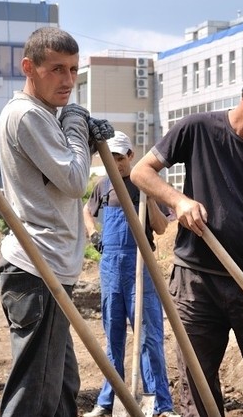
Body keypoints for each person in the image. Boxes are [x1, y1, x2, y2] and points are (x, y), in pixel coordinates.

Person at [131, 52, 243, 417]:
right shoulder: (198, 129)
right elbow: (141, 172)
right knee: (198, 385)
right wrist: (179, 201)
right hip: (195, 281)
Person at [0, 26, 114, 417]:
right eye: (57, 69)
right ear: (29, 67)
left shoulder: (48, 116)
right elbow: (76, 179)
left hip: (50, 268)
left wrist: (71, 123)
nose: (67, 81)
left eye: (74, 70)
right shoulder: (29, 115)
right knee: (35, 394)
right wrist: (77, 123)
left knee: (61, 387)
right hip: (36, 268)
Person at [81, 131, 179, 417]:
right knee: (113, 337)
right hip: (111, 267)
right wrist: (93, 235)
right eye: (110, 158)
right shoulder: (103, 186)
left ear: (131, 156)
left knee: (149, 336)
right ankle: (108, 400)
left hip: (140, 267)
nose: (117, 164)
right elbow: (87, 212)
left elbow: (161, 229)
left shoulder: (144, 183)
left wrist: (148, 200)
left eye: (121, 158)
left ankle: (159, 404)